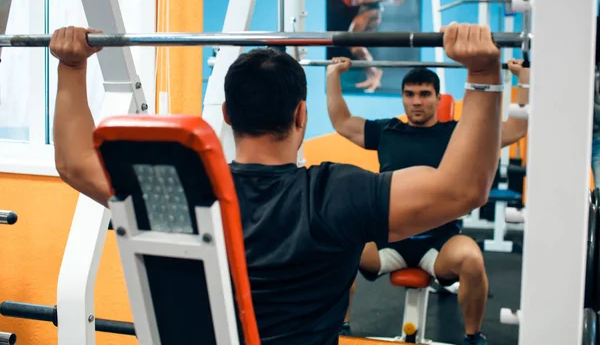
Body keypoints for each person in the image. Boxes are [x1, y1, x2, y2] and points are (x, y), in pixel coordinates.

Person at [52, 23, 504, 345]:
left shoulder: (183, 194)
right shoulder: (335, 193)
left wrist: (72, 68)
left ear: (228, 116)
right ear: (301, 116)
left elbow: (74, 162)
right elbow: (463, 189)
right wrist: (484, 76)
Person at [326, 57, 530, 344]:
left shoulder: (457, 135)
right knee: (337, 241)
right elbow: (342, 121)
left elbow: (516, 129)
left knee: (471, 259)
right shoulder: (386, 131)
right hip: (386, 238)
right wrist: (333, 74)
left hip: (439, 242)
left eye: (424, 94)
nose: (416, 102)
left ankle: (473, 336)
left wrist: (524, 79)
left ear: (437, 98)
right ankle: (339, 328)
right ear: (403, 98)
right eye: (409, 94)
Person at [347, 0, 395, 93]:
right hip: (365, 6)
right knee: (356, 45)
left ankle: (375, 72)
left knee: (352, 39)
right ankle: (372, 76)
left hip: (373, 8)